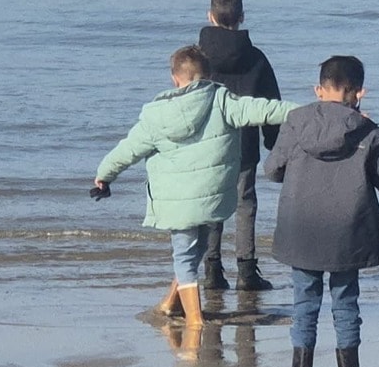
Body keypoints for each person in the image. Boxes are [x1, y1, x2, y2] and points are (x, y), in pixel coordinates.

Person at [93, 46, 297, 330]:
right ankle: (171, 304)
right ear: (209, 75)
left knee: (185, 254)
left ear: (174, 78)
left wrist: (104, 175)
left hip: (176, 201)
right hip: (211, 196)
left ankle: (195, 321)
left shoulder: (156, 115)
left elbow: (127, 150)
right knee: (194, 248)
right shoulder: (222, 101)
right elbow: (265, 109)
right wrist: (311, 112)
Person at [265, 55, 379, 367]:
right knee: (345, 304)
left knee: (304, 305)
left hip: (301, 227)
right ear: (359, 93)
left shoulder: (295, 121)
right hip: (348, 231)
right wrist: (371, 135)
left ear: (319, 90)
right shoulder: (367, 130)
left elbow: (272, 170)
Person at [197, 0, 284, 290]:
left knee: (212, 203)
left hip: (206, 145)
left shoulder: (198, 59)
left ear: (210, 16)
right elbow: (270, 103)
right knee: (245, 203)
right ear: (242, 17)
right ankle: (246, 272)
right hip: (244, 143)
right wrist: (274, 142)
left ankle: (212, 270)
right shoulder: (255, 58)